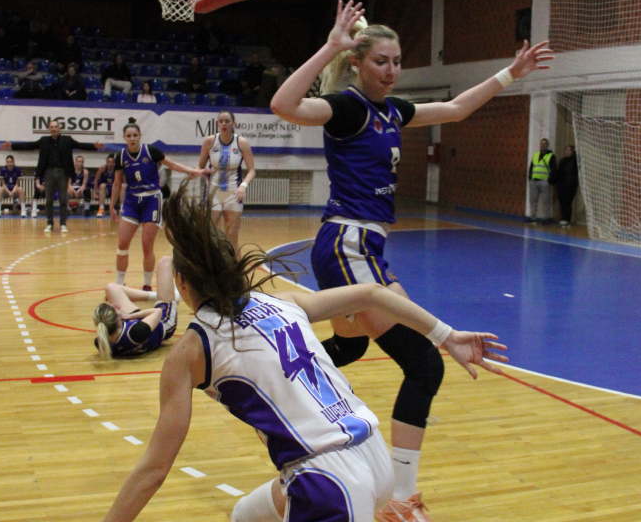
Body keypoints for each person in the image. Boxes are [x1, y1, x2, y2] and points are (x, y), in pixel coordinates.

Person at [270, 0, 551, 518]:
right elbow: (284, 105)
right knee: (424, 364)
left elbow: (457, 108)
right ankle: (400, 500)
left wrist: (511, 73)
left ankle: (271, 375)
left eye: (397, 61)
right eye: (381, 61)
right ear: (357, 62)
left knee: (349, 349)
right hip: (347, 244)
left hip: (365, 247)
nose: (392, 70)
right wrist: (328, 47)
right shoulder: (347, 107)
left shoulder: (393, 110)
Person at [99, 182, 508, 522]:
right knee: (245, 515)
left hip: (325, 479)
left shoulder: (189, 351)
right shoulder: (284, 302)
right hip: (372, 454)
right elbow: (372, 293)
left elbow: (154, 470)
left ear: (182, 284)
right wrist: (446, 335)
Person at [109, 118, 208, 290]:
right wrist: (112, 205)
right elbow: (117, 183)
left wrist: (193, 171)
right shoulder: (121, 156)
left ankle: (147, 284)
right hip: (132, 201)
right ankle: (119, 284)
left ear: (140, 135)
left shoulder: (151, 151)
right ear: (124, 137)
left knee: (147, 245)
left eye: (135, 135)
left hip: (152, 200)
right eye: (129, 136)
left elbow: (172, 164)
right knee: (122, 244)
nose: (132, 138)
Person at [0, 119, 104, 232]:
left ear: (59, 128)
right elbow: (30, 145)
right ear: (49, 129)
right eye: (52, 127)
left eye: (56, 127)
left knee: (63, 200)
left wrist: (94, 146)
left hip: (63, 173)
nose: (54, 129)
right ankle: (49, 223)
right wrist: (12, 145)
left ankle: (63, 223)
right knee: (49, 200)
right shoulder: (44, 141)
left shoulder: (67, 140)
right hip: (48, 173)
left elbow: (80, 145)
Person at [92, 255, 178, 359]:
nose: (114, 305)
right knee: (165, 262)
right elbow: (157, 312)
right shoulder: (136, 332)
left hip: (136, 322)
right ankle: (168, 294)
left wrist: (123, 314)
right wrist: (129, 316)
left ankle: (156, 295)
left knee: (111, 288)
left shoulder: (102, 342)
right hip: (163, 321)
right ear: (119, 320)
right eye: (114, 308)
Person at [197, 110, 255, 253]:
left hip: (234, 194)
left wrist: (243, 186)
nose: (223, 124)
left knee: (232, 238)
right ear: (217, 123)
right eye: (221, 121)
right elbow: (200, 166)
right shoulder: (210, 141)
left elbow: (252, 171)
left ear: (233, 123)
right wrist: (199, 172)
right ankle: (210, 266)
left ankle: (236, 267)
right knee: (209, 236)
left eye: (227, 121)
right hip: (213, 194)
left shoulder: (241, 143)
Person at [527, 138, 557, 224]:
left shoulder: (551, 156)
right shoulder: (536, 154)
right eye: (541, 144)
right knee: (533, 200)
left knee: (546, 201)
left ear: (547, 146)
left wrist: (549, 181)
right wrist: (530, 177)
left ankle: (546, 218)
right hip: (534, 181)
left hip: (544, 181)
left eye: (545, 144)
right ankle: (532, 217)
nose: (543, 145)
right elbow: (532, 166)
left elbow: (553, 169)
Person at [556, 145, 579, 228]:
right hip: (561, 185)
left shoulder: (574, 161)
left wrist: (576, 151)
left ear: (572, 152)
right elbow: (558, 173)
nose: (567, 152)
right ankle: (563, 219)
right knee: (562, 203)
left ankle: (567, 220)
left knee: (568, 203)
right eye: (566, 150)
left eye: (569, 150)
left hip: (570, 186)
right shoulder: (562, 161)